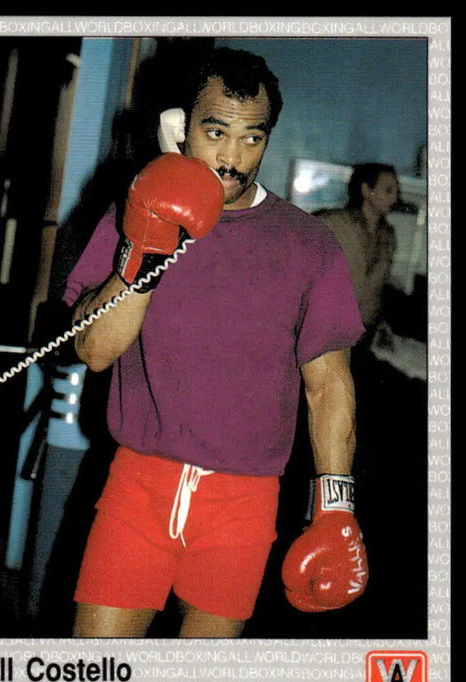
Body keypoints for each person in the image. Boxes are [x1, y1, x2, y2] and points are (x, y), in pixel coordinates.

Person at [62, 47, 367, 639]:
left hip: (243, 504)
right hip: (137, 490)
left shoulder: (310, 247)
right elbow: (94, 351)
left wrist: (336, 505)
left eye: (252, 138)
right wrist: (146, 245)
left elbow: (328, 386)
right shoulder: (135, 214)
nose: (231, 157)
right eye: (215, 131)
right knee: (93, 680)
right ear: (181, 126)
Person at [314, 163, 399, 340]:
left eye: (396, 192)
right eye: (388, 190)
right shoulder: (333, 223)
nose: (395, 198)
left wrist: (381, 323)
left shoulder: (388, 236)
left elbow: (377, 287)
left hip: (363, 332)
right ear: (367, 190)